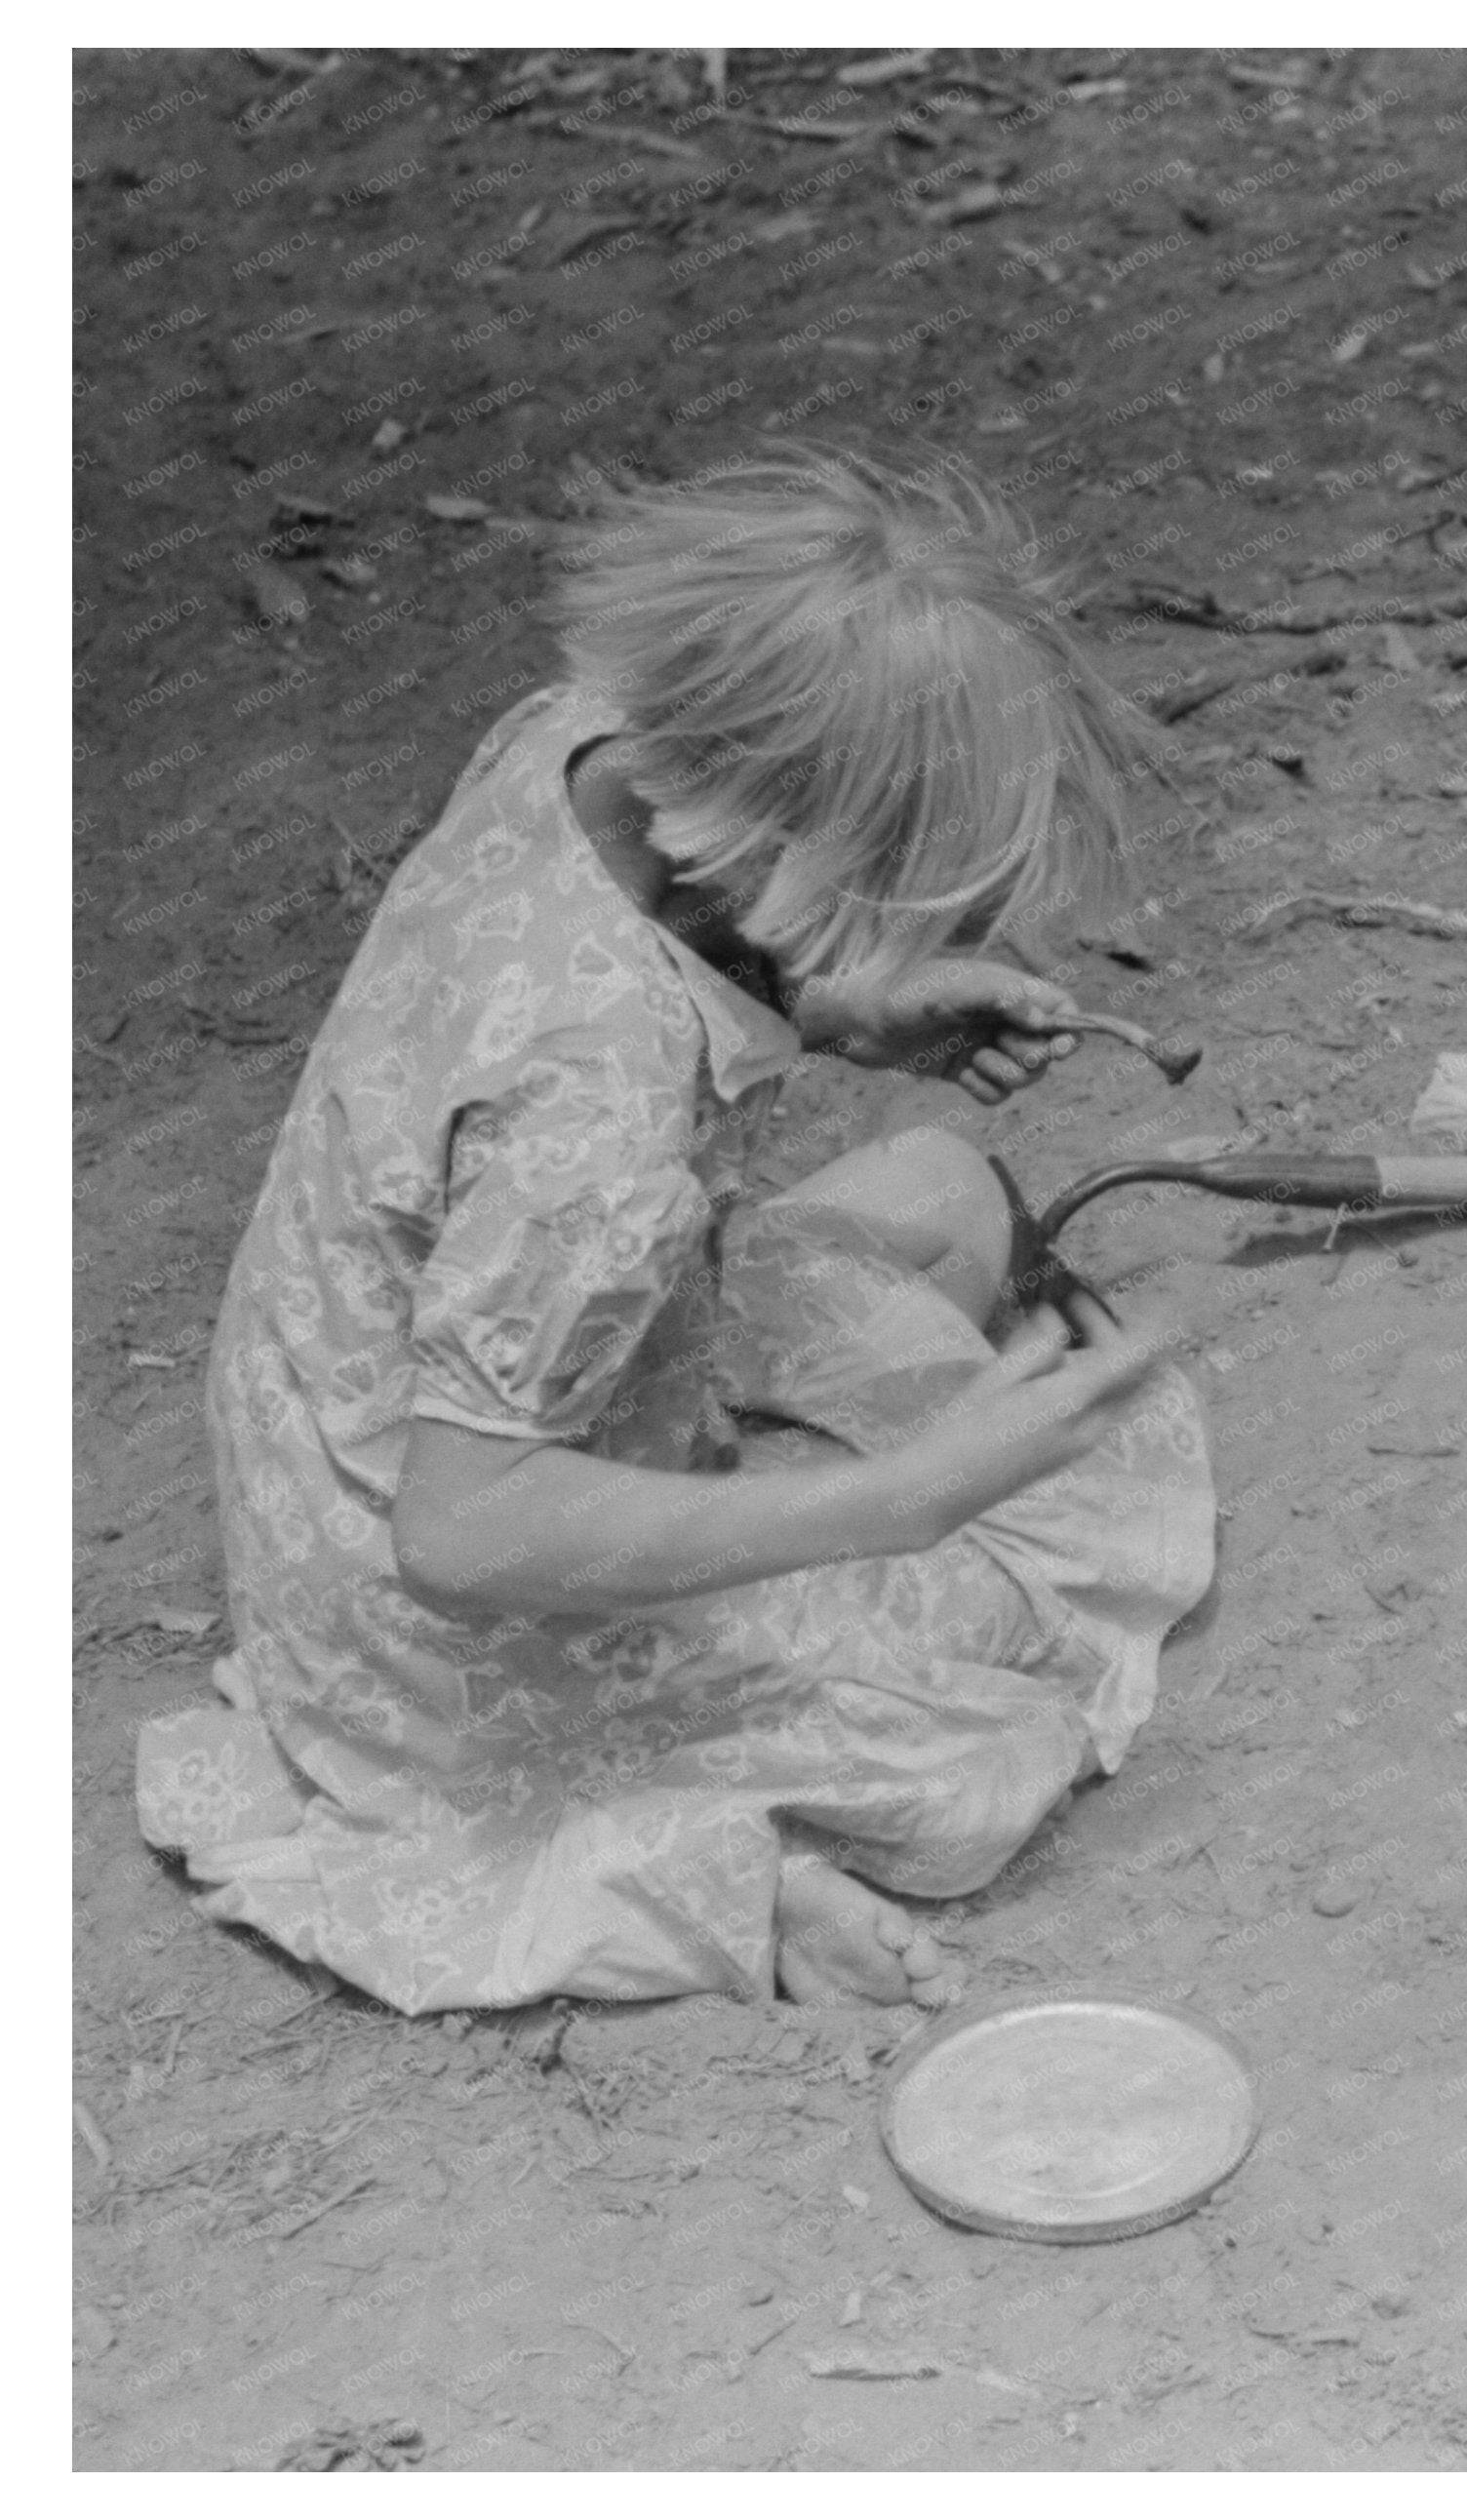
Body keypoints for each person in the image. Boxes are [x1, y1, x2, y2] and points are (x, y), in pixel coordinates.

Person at [136, 448, 1215, 2014]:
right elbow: (464, 1530)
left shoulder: (575, 741)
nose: (946, 932)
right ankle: (707, 1880)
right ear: (792, 852)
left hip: (331, 1408)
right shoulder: (595, 1137)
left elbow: (629, 979)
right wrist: (905, 1499)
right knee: (982, 1734)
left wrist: (835, 1000)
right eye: (911, 896)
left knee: (942, 1184)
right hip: (425, 1611)